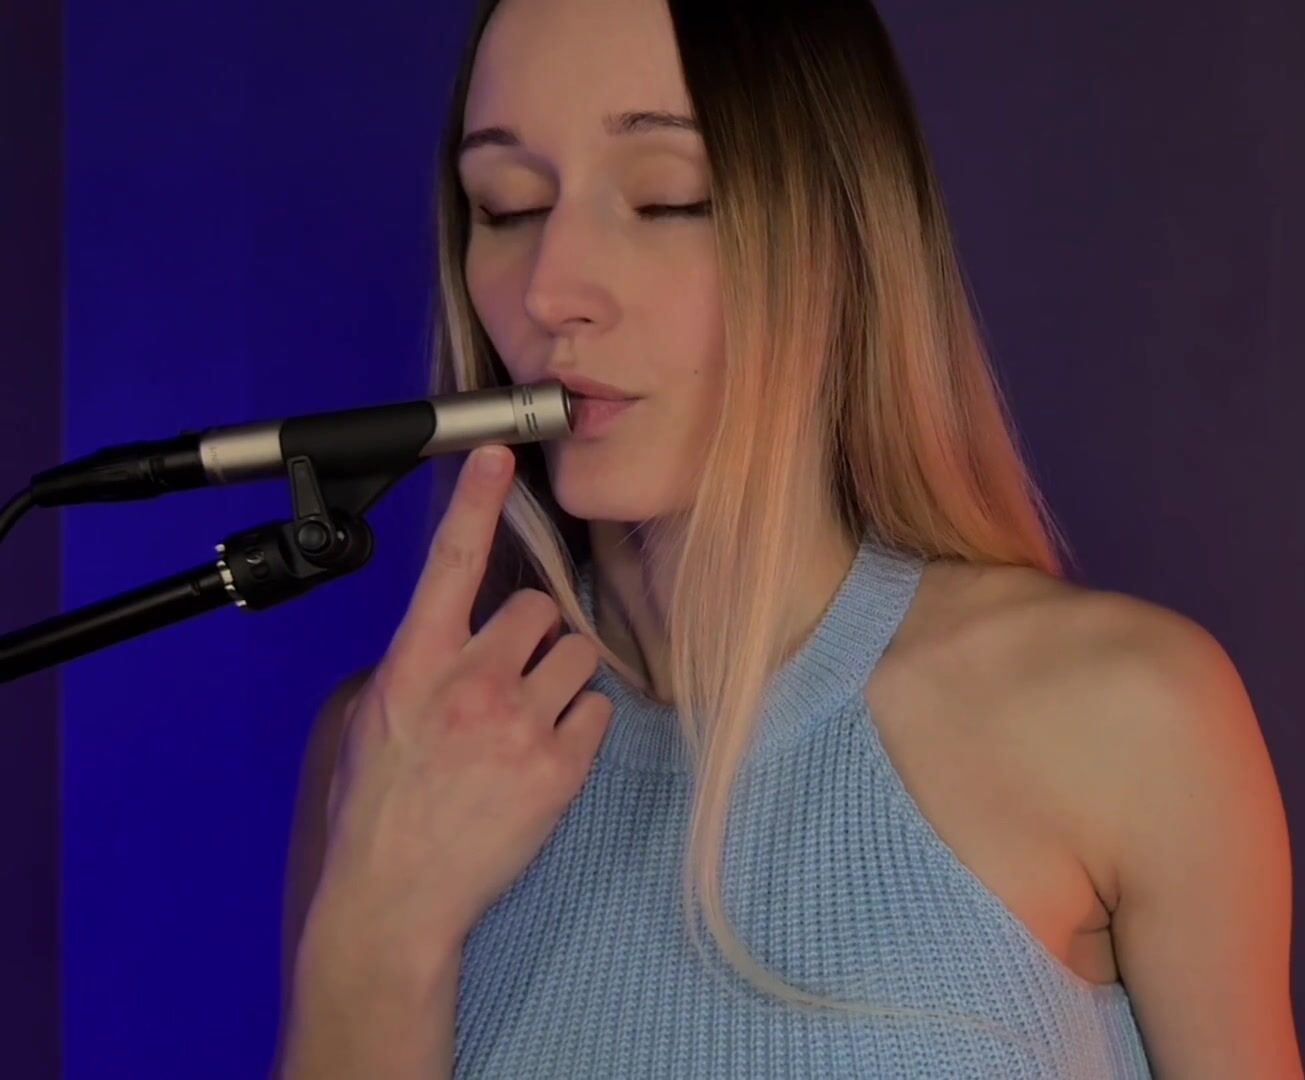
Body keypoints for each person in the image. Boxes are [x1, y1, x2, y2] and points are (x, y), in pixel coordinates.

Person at [272, 0, 1301, 1076]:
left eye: (668, 199)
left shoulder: (1123, 716)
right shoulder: (389, 753)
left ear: (838, 231)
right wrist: (376, 933)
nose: (549, 291)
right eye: (508, 206)